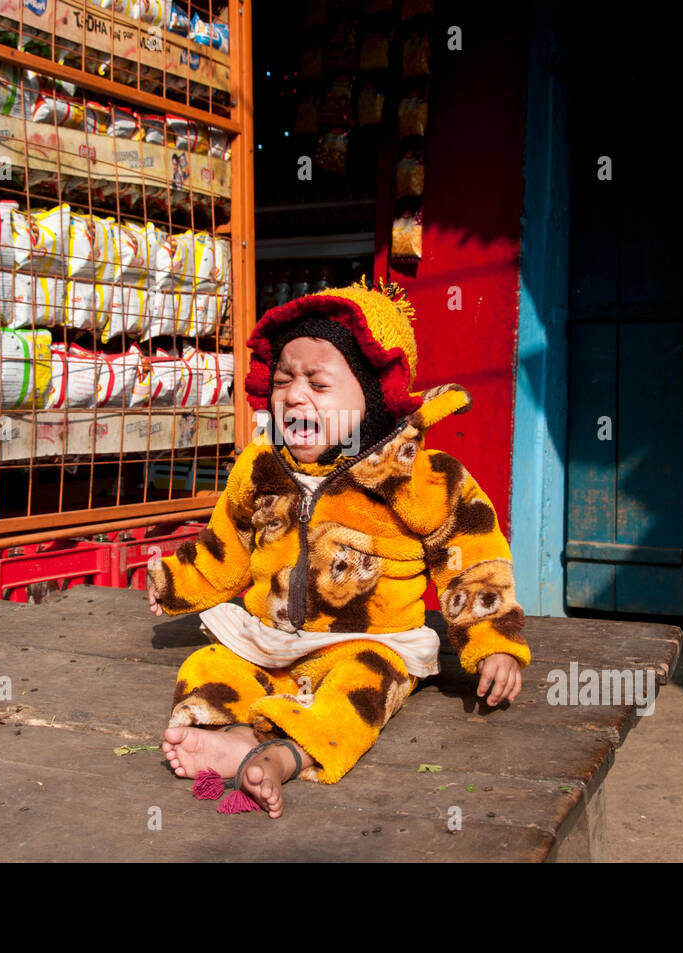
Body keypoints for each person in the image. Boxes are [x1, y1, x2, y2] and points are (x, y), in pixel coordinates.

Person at [146, 279, 530, 817]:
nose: (294, 395)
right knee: (209, 662)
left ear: (371, 399)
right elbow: (226, 544)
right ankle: (229, 736)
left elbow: (475, 564)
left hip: (368, 644)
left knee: (360, 693)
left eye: (318, 384)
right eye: (284, 380)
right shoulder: (261, 467)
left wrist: (493, 643)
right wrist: (176, 582)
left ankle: (288, 755)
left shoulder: (421, 478)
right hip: (269, 640)